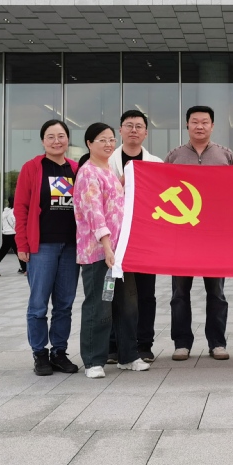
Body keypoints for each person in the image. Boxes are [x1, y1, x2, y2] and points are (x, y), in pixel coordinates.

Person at [75, 123, 149, 379]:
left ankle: (128, 356)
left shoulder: (108, 171)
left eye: (110, 140)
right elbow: (94, 213)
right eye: (102, 140)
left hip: (120, 254)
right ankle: (93, 361)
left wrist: (124, 182)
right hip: (99, 254)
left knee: (127, 306)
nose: (108, 144)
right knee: (99, 306)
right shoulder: (88, 173)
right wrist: (107, 247)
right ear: (89, 144)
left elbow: (116, 206)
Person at [165, 105, 233, 361]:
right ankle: (181, 343)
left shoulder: (225, 155)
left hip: (215, 236)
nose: (199, 126)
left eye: (205, 122)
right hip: (181, 236)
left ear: (212, 126)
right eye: (194, 121)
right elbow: (160, 191)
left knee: (216, 293)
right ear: (187, 125)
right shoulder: (174, 156)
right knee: (179, 293)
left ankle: (217, 343)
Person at [15, 120, 81, 377]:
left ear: (68, 139)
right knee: (38, 304)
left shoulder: (76, 169)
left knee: (64, 304)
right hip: (42, 246)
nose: (56, 141)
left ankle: (59, 352)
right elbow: (21, 207)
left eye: (61, 136)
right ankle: (40, 353)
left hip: (71, 246)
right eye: (51, 136)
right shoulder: (32, 168)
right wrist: (22, 244)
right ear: (43, 141)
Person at [107, 110, 163, 364]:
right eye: (128, 125)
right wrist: (119, 184)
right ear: (120, 130)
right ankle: (112, 345)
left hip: (145, 239)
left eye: (139, 126)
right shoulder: (106, 161)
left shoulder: (156, 163)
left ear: (146, 133)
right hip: (114, 239)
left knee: (145, 293)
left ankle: (143, 344)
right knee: (112, 292)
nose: (133, 130)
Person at [0, 197, 27, 276]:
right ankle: (25, 270)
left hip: (5, 234)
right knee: (19, 252)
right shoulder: (13, 211)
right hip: (12, 234)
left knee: (2, 252)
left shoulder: (5, 212)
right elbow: (15, 222)